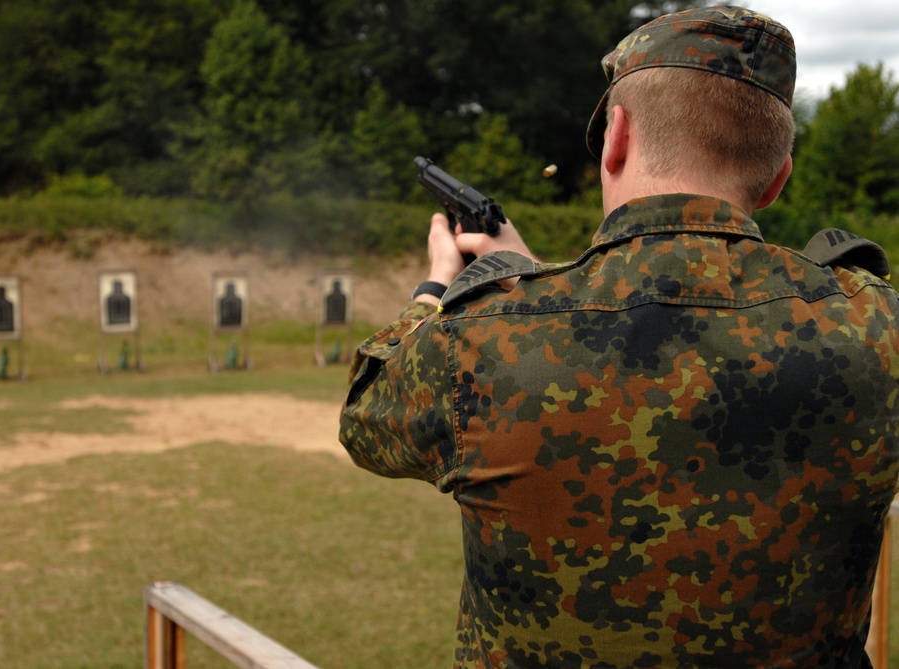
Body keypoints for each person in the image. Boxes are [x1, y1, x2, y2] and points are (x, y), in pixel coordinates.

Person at [339, 5, 899, 668]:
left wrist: (446, 291)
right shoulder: (876, 326)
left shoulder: (482, 340)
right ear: (777, 176)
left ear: (616, 136)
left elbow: (365, 417)